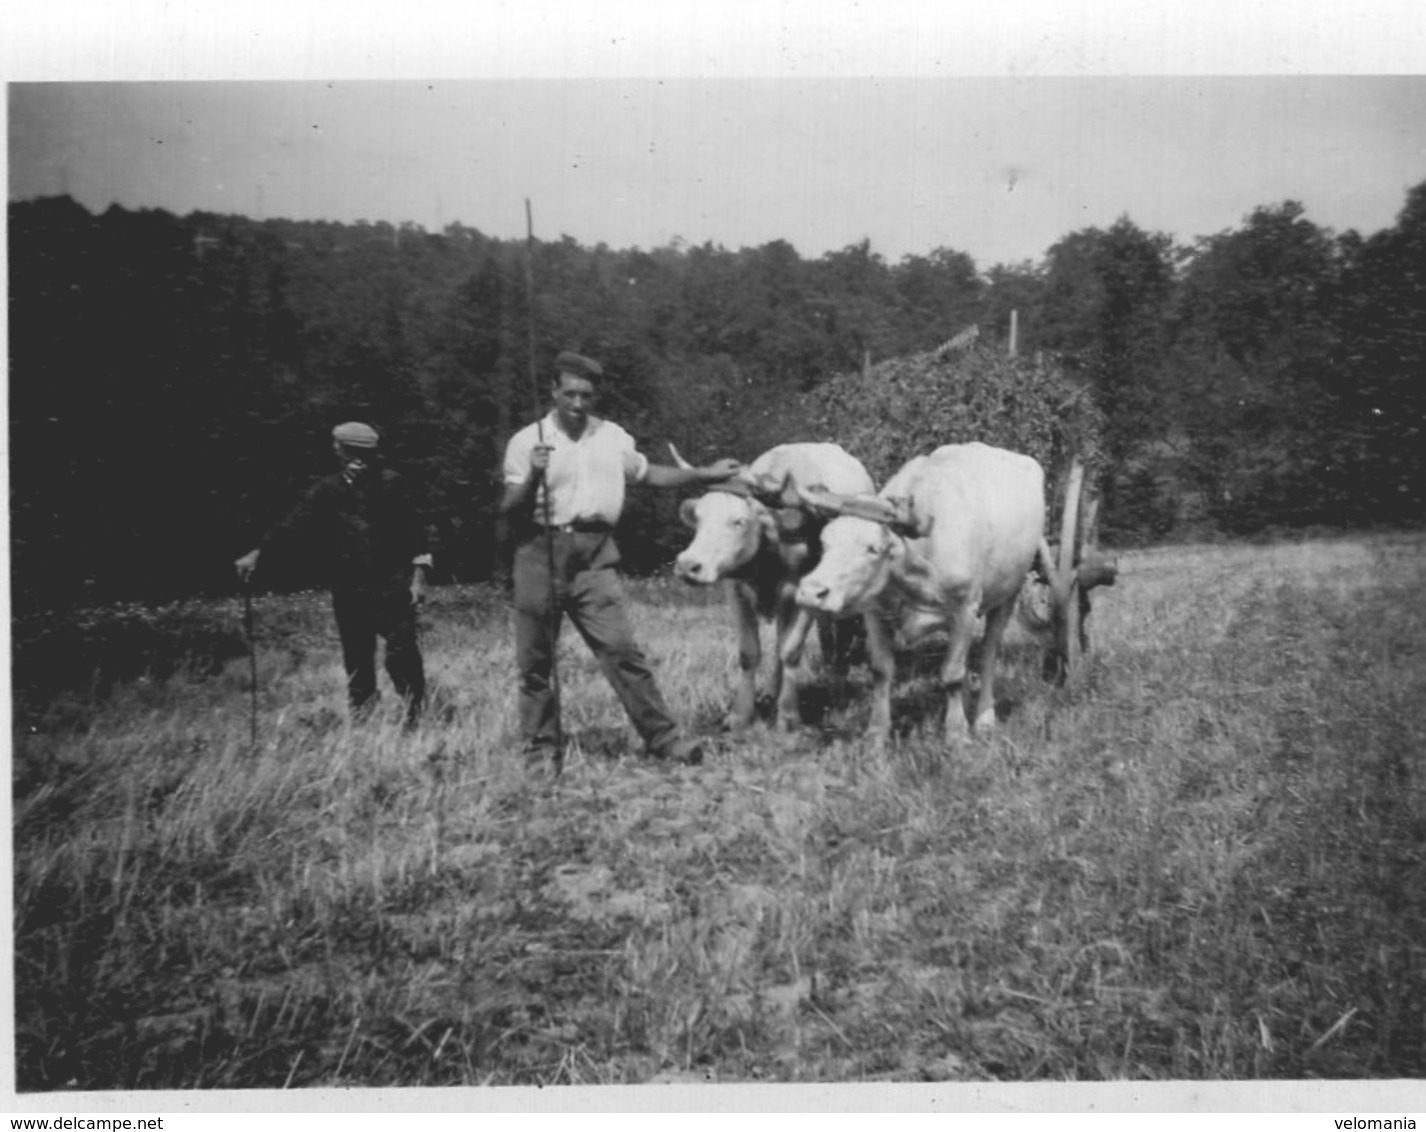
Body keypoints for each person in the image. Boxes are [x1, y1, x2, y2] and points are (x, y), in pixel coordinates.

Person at [501, 350, 741, 770]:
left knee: (622, 651)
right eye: (570, 394)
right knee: (536, 662)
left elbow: (650, 474)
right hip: (540, 554)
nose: (578, 404)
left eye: (586, 395)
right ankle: (540, 751)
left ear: (595, 397)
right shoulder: (526, 442)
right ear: (554, 392)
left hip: (595, 557)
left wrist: (705, 475)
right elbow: (510, 510)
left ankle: (664, 739)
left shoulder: (612, 437)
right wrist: (536, 474)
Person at [235, 421, 432, 728]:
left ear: (347, 449)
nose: (334, 449)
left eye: (337, 444)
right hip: (349, 587)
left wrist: (419, 577)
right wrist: (259, 553)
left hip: (392, 585)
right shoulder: (329, 488)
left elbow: (416, 532)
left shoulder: (393, 483)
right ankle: (363, 719)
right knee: (356, 655)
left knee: (402, 652)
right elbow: (295, 522)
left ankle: (416, 714)